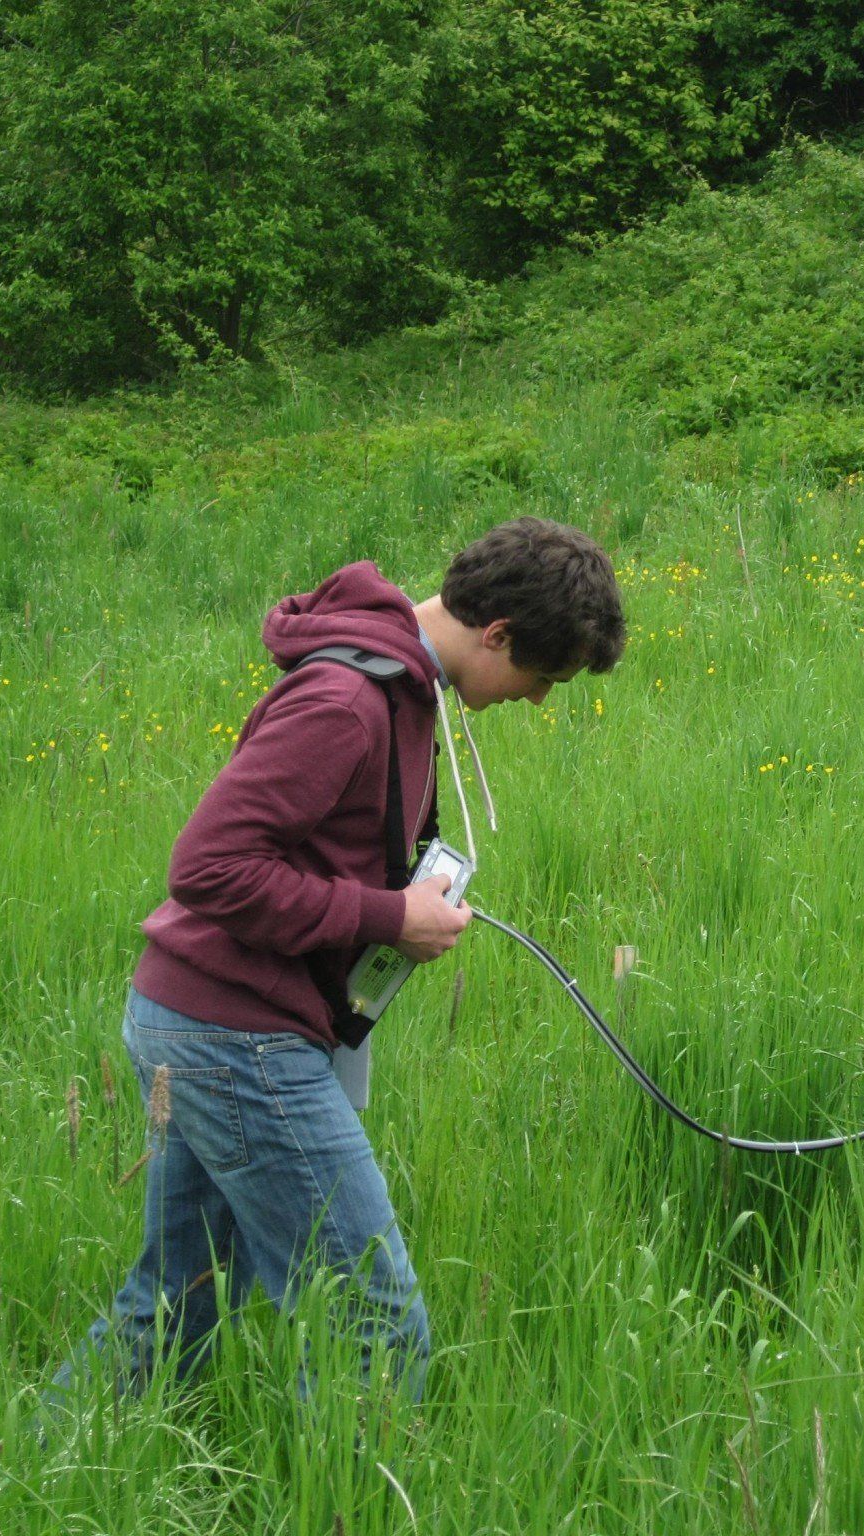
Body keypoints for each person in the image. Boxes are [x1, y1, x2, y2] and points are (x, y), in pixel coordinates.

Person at [50, 517, 626, 1411]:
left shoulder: (402, 692)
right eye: (540, 677)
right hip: (233, 1035)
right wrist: (389, 913)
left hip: (210, 1018)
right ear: (497, 634)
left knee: (180, 1299)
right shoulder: (347, 701)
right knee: (376, 1324)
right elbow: (206, 868)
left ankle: (56, 1470)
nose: (539, 700)